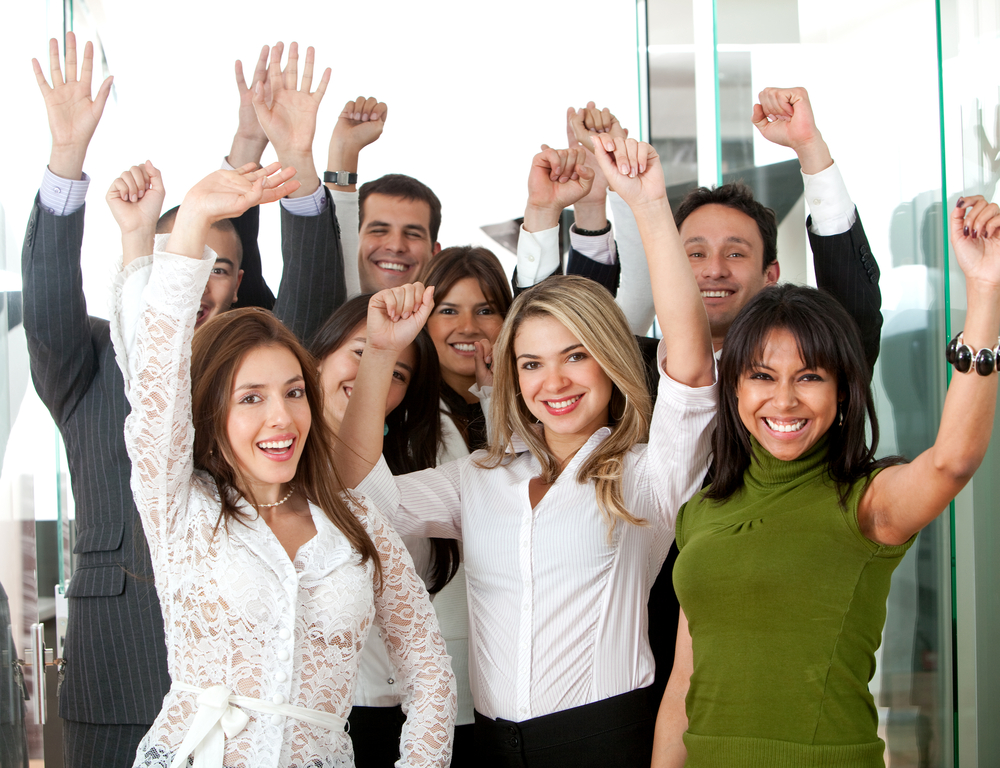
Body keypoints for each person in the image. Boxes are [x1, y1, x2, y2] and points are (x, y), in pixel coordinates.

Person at [336, 135, 717, 767]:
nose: (555, 382)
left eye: (576, 356)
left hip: (603, 742)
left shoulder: (647, 477)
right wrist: (379, 352)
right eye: (532, 363)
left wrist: (650, 207)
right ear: (513, 377)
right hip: (491, 745)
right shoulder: (479, 479)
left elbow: (690, 369)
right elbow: (359, 490)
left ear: (611, 362)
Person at [21, 36, 347, 768]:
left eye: (221, 268)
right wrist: (66, 160)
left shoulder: (259, 384)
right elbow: (45, 299)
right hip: (119, 677)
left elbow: (315, 303)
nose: (201, 282)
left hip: (250, 701)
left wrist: (298, 162)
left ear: (237, 285)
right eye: (185, 263)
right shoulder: (88, 365)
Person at [108, 161, 456, 767]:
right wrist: (189, 225)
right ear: (211, 415)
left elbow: (429, 670)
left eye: (293, 391)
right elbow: (157, 378)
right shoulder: (179, 503)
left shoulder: (355, 520)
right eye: (251, 398)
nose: (281, 417)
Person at [651, 195, 1000, 767]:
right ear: (733, 389)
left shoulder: (866, 503)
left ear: (842, 394)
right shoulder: (703, 510)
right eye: (762, 376)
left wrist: (985, 292)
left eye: (809, 376)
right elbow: (684, 685)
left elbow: (952, 461)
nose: (783, 399)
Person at [309, 295, 459, 766]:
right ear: (317, 357)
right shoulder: (271, 461)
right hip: (321, 719)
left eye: (397, 373)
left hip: (411, 718)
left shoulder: (415, 471)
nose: (376, 375)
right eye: (363, 352)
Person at [420, 246, 513, 454]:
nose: (468, 327)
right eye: (449, 311)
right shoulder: (400, 409)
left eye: (485, 311)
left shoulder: (537, 400)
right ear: (423, 321)